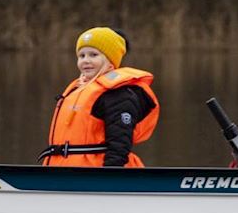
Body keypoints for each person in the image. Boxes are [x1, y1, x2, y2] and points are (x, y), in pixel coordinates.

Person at [41, 26, 159, 168]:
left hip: (95, 173)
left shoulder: (118, 94)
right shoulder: (77, 89)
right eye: (81, 56)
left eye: (93, 55)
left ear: (110, 60)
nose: (86, 60)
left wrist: (107, 177)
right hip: (64, 170)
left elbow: (120, 143)